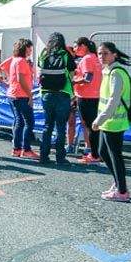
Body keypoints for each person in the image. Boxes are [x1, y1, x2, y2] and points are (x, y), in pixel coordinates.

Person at [92, 42, 131, 202]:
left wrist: (99, 119)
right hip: (108, 122)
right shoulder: (107, 71)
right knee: (103, 152)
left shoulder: (116, 73)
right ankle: (118, 183)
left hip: (114, 122)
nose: (102, 56)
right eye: (100, 53)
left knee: (115, 156)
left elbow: (113, 100)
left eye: (105, 53)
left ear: (114, 54)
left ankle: (122, 191)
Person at [37, 32, 77, 165]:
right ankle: (60, 157)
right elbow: (71, 75)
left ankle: (43, 156)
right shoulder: (66, 55)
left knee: (47, 125)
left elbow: (39, 70)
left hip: (46, 94)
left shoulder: (44, 53)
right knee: (61, 127)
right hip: (63, 93)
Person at [73, 37, 103, 164]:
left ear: (83, 46)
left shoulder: (86, 59)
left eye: (76, 46)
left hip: (86, 97)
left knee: (90, 126)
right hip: (96, 96)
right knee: (94, 126)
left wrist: (73, 80)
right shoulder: (95, 58)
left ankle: (94, 155)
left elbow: (87, 78)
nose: (74, 49)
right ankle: (97, 153)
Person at [7, 38, 38, 159]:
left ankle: (17, 148)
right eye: (29, 48)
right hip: (21, 95)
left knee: (19, 122)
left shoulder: (16, 60)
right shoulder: (21, 61)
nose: (30, 51)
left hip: (14, 94)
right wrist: (30, 95)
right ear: (23, 48)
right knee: (29, 122)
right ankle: (26, 149)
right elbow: (21, 79)